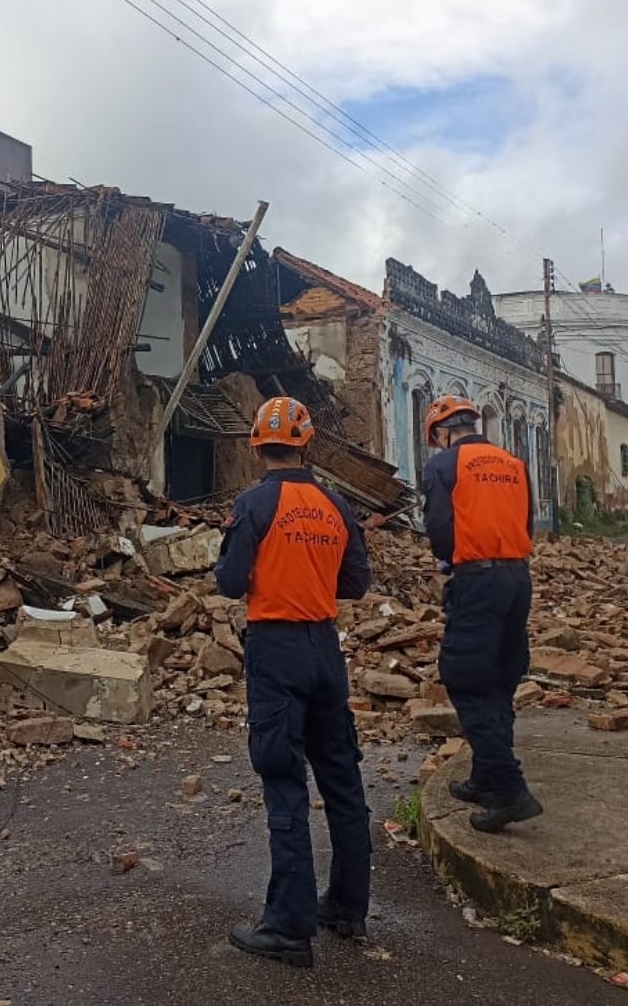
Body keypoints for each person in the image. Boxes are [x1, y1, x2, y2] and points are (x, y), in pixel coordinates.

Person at [214, 396, 373, 968]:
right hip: (324, 649)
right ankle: (348, 908)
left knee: (284, 780)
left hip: (276, 649)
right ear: (306, 442)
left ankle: (288, 926)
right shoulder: (336, 505)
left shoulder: (254, 503)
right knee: (342, 780)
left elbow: (230, 581)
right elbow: (356, 582)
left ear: (258, 443)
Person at [421, 395, 544, 833]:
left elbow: (439, 528)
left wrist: (451, 560)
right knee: (500, 678)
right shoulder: (514, 464)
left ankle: (510, 790)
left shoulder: (443, 465)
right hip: (517, 578)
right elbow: (526, 524)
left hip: (478, 579)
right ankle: (485, 778)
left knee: (467, 678)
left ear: (441, 432)